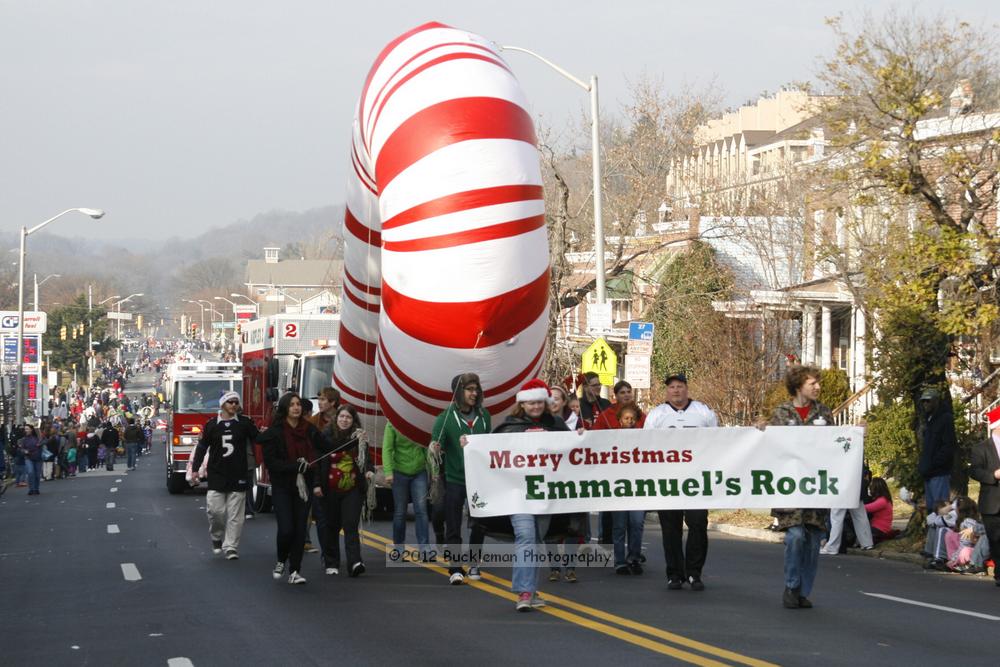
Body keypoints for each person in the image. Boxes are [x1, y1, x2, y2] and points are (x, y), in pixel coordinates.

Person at [493, 378, 571, 611]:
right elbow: (488, 449)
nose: (536, 407)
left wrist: (581, 435)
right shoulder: (509, 425)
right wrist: (469, 443)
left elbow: (574, 450)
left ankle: (531, 590)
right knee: (526, 537)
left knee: (536, 540)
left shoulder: (556, 423)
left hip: (546, 496)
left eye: (539, 402)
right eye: (531, 403)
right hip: (518, 494)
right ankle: (524, 593)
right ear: (522, 405)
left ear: (545, 402)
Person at [765, 365, 833, 609]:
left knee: (813, 540)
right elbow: (769, 445)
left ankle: (804, 591)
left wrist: (857, 435)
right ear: (798, 386)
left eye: (817, 383)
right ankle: (791, 586)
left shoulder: (824, 413)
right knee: (795, 536)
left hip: (815, 488)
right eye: (812, 383)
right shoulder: (782, 413)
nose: (817, 387)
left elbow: (835, 446)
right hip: (790, 488)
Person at [644, 372, 718, 590]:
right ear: (667, 390)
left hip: (696, 480)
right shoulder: (657, 415)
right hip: (668, 481)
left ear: (687, 388)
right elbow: (645, 445)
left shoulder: (703, 412)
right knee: (670, 528)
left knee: (697, 525)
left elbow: (718, 441)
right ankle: (674, 573)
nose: (676, 390)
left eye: (679, 386)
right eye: (672, 387)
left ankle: (694, 572)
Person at [430, 373, 491, 585]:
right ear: (458, 392)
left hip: (479, 479)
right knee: (453, 524)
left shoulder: (484, 416)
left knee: (480, 523)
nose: (474, 393)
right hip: (455, 478)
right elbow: (435, 447)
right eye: (469, 389)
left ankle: (474, 562)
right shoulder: (444, 418)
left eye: (476, 389)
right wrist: (436, 448)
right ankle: (455, 568)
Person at [258, 392, 323, 585]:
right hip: (282, 486)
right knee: (286, 528)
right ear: (285, 408)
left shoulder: (310, 430)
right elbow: (271, 463)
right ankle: (280, 560)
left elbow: (326, 445)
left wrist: (351, 439)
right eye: (292, 404)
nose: (296, 407)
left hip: (304, 487)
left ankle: (295, 570)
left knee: (299, 530)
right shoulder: (275, 432)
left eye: (298, 404)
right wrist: (296, 466)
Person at [191, 391, 260, 560]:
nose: (234, 405)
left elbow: (259, 439)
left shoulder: (244, 423)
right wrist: (195, 469)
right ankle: (216, 536)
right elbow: (201, 448)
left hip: (238, 473)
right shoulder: (212, 425)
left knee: (236, 515)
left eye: (236, 402)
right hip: (217, 474)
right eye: (230, 402)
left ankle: (231, 546)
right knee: (216, 512)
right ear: (223, 405)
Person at [314, 405, 373, 577]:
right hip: (329, 489)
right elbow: (317, 463)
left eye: (348, 417)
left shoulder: (360, 438)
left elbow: (366, 460)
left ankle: (355, 562)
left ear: (353, 420)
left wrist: (369, 471)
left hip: (352, 489)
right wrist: (316, 484)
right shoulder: (325, 436)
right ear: (336, 418)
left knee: (350, 525)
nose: (344, 420)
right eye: (342, 417)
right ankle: (331, 562)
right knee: (331, 526)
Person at [383, 419, 430, 554]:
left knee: (421, 510)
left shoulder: (418, 422)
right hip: (398, 473)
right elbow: (387, 449)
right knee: (400, 511)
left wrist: (434, 471)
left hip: (419, 472)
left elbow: (425, 447)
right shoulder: (392, 424)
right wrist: (388, 472)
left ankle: (424, 547)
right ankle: (398, 547)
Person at [611, 403, 646, 576]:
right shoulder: (611, 438)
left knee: (637, 524)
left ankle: (634, 557)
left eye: (632, 418)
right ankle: (619, 561)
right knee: (619, 526)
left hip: (638, 489)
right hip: (618, 490)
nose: (630, 421)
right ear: (620, 420)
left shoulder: (644, 438)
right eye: (626, 418)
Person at [969, 405, 1000, 586]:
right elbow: (974, 471)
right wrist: (993, 476)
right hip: (991, 501)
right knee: (995, 538)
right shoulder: (981, 448)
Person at [820, 459, 874, 555]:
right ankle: (867, 543)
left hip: (841, 488)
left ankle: (832, 546)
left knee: (836, 517)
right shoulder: (855, 450)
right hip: (856, 488)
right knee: (860, 515)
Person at [917, 387, 956, 513]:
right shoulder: (929, 419)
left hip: (939, 473)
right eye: (923, 401)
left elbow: (948, 446)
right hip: (929, 473)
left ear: (936, 401)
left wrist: (934, 464)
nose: (925, 404)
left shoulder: (945, 418)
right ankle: (933, 533)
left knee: (941, 511)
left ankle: (944, 534)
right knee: (932, 511)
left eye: (928, 401)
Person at [865, 478, 895, 544]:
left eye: (871, 487)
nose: (870, 489)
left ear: (876, 488)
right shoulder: (884, 499)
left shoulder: (882, 501)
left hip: (879, 529)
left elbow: (867, 508)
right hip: (881, 528)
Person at [20, 424, 43, 495]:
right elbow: (21, 448)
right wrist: (24, 451)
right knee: (30, 472)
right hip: (28, 458)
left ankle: (36, 488)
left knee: (37, 474)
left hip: (38, 458)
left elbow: (45, 440)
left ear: (31, 429)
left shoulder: (37, 437)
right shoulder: (24, 439)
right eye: (25, 429)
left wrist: (40, 444)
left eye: (27, 429)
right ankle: (31, 489)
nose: (26, 430)